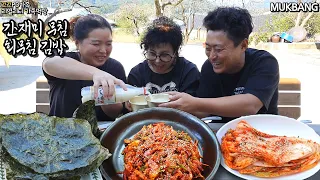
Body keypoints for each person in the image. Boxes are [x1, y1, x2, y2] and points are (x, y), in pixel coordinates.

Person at [160, 7, 280, 123]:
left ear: (243, 45)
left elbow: (251, 105)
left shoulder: (264, 62)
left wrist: (195, 103)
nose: (212, 56)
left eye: (218, 49)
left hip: (265, 133)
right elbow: (203, 111)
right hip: (225, 133)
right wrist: (176, 104)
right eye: (208, 48)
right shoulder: (209, 67)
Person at [42, 14, 127, 121]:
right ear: (77, 43)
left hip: (100, 134)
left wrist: (107, 99)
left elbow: (115, 114)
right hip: (62, 133)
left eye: (108, 44)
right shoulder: (64, 59)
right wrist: (96, 73)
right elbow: (49, 64)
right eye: (96, 44)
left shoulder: (115, 68)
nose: (103, 50)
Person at [127, 16, 200, 99]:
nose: (157, 61)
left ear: (176, 53)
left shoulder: (189, 72)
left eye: (164, 55)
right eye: (152, 54)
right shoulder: (137, 73)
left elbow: (194, 107)